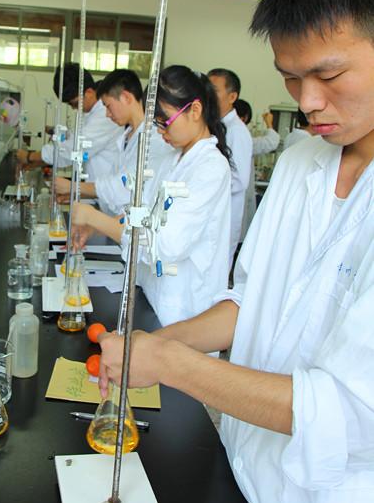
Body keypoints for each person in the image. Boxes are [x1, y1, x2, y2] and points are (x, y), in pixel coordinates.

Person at [97, 0, 374, 503]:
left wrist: (172, 364)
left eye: (328, 75)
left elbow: (345, 413)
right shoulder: (305, 163)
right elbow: (249, 300)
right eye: (290, 77)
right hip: (245, 476)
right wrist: (160, 342)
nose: (307, 101)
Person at [71, 66, 231, 326]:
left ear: (195, 110)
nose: (159, 131)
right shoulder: (172, 158)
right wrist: (95, 225)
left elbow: (165, 244)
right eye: (155, 123)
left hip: (183, 307)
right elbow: (141, 211)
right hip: (153, 295)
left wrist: (96, 218)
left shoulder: (211, 167)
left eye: (164, 121)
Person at [55, 68, 173, 216]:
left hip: (129, 224)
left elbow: (124, 188)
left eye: (108, 106)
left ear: (126, 97)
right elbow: (112, 181)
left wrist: (74, 187)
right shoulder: (127, 136)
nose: (107, 114)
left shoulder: (153, 138)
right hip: (114, 219)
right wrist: (79, 194)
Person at [16, 63, 119, 181]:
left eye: (75, 103)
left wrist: (30, 156)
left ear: (89, 93)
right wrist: (38, 162)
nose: (74, 108)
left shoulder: (104, 115)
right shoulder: (91, 112)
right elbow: (73, 141)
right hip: (95, 184)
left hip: (105, 185)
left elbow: (73, 149)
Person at [208, 69, 252, 267]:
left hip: (224, 217)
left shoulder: (237, 131)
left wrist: (205, 185)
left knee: (216, 270)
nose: (207, 94)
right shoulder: (214, 126)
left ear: (232, 97)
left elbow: (239, 180)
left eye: (214, 90)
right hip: (212, 216)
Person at [234, 99, 280, 239]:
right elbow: (271, 142)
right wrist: (269, 124)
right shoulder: (242, 137)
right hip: (238, 199)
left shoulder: (230, 133)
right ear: (245, 118)